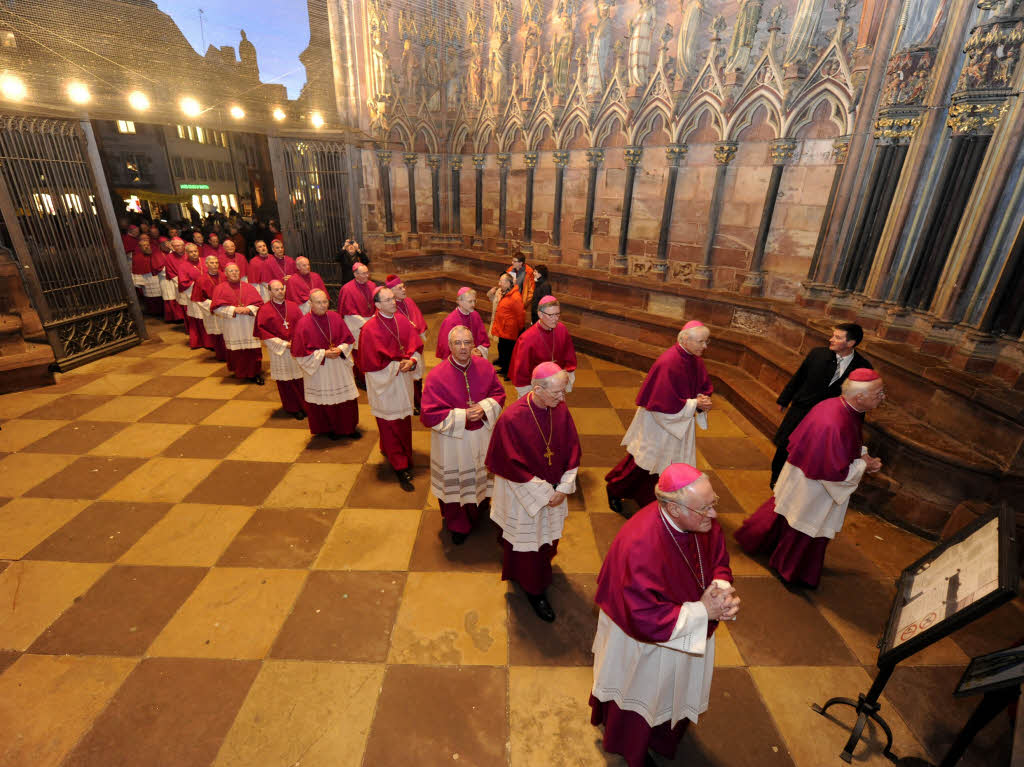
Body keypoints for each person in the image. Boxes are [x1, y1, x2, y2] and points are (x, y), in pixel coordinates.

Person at [590, 463, 739, 767]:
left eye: (714, 504)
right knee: (643, 693)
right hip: (646, 642)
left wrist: (721, 590)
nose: (713, 515)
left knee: (675, 689)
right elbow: (644, 617)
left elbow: (718, 557)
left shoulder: (699, 520)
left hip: (688, 625)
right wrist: (703, 611)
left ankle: (665, 737)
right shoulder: (641, 543)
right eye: (704, 509)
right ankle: (634, 748)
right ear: (673, 509)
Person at [734, 369, 885, 587]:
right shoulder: (835, 421)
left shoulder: (836, 405)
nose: (882, 398)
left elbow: (841, 445)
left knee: (786, 514)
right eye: (878, 393)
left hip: (803, 475)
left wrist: (860, 453)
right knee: (803, 526)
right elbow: (833, 473)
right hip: (815, 486)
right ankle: (789, 570)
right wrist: (864, 465)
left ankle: (761, 543)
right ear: (860, 396)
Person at [485, 363, 581, 622]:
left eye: (563, 391)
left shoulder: (558, 409)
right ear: (537, 389)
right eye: (557, 392)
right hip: (524, 495)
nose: (563, 398)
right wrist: (545, 494)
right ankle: (533, 589)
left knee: (546, 540)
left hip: (554, 491)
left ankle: (539, 573)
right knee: (528, 546)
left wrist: (563, 487)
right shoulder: (512, 419)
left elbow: (572, 447)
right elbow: (511, 466)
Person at [606, 321, 713, 515]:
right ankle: (614, 489)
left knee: (666, 466)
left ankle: (650, 500)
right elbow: (662, 404)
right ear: (685, 339)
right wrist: (694, 404)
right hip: (659, 424)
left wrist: (702, 400)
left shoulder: (695, 360)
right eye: (701, 341)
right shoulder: (668, 363)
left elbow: (701, 387)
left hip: (679, 422)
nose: (704, 346)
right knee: (643, 465)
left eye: (706, 341)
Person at [421, 325, 507, 544]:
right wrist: (463, 416)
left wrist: (485, 407)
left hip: (481, 437)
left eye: (467, 342)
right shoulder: (436, 375)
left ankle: (479, 508)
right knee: (457, 483)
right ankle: (458, 524)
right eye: (457, 343)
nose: (462, 347)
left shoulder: (485, 367)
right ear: (449, 346)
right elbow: (428, 414)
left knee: (479, 477)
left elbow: (499, 393)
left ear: (473, 345)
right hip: (453, 441)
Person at [770, 323, 873, 487]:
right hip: (802, 409)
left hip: (829, 419)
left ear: (851, 343)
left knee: (814, 450)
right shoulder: (817, 354)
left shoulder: (862, 366)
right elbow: (799, 378)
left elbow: (859, 400)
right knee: (786, 444)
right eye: (833, 335)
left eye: (837, 337)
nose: (831, 339)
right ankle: (776, 478)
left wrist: (854, 425)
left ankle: (800, 482)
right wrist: (784, 399)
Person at [358, 287, 424, 491]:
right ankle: (400, 465)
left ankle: (401, 452)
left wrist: (412, 361)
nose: (393, 302)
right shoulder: (369, 329)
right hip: (384, 383)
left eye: (393, 299)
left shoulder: (401, 320)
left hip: (402, 381)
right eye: (387, 300)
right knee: (389, 424)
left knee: (403, 422)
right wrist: (398, 366)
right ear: (377, 305)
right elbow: (369, 365)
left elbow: (416, 347)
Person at [291, 289, 361, 438]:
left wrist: (341, 349)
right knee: (326, 400)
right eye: (318, 302)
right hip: (320, 369)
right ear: (310, 303)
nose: (323, 305)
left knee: (346, 400)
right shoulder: (303, 324)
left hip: (339, 365)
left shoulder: (335, 317)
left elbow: (348, 340)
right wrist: (324, 353)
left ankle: (349, 428)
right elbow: (300, 354)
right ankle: (331, 429)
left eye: (325, 302)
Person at [255, 279, 306, 419]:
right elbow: (263, 333)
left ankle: (305, 405)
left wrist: (296, 342)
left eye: (282, 289)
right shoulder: (264, 310)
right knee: (286, 382)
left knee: (301, 378)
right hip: (279, 351)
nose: (280, 292)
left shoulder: (293, 306)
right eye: (276, 290)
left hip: (296, 348)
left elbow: (302, 326)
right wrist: (284, 344)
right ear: (270, 292)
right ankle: (293, 408)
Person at [509, 295, 577, 398]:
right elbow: (521, 373)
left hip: (557, 387)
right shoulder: (527, 339)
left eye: (557, 314)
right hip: (537, 390)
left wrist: (564, 380)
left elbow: (569, 357)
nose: (555, 319)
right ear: (540, 314)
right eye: (551, 315)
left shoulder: (562, 330)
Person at [211, 263, 264, 384]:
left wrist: (249, 309)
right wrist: (233, 310)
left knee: (253, 350)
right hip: (232, 324)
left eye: (236, 271)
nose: (234, 273)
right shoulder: (220, 288)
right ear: (226, 273)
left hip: (248, 323)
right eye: (231, 271)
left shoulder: (249, 287)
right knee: (237, 352)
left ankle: (255, 373)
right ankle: (240, 372)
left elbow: (259, 304)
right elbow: (215, 308)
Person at [387, 274, 428, 414]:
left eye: (404, 286)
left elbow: (418, 317)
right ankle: (412, 402)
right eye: (400, 288)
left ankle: (419, 400)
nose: (404, 289)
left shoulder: (409, 301)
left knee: (418, 373)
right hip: (402, 347)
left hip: (415, 343)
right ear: (391, 291)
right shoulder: (389, 306)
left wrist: (416, 328)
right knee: (408, 376)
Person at [339, 263, 377, 386]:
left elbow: (378, 304)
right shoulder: (347, 289)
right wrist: (366, 324)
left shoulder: (372, 285)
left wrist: (373, 319)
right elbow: (349, 313)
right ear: (355, 274)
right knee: (359, 353)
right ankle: (362, 378)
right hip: (356, 326)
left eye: (367, 272)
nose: (367, 275)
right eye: (364, 273)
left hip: (373, 321)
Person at [436, 287, 490, 361]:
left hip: (475, 357)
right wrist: (469, 353)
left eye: (474, 301)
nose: (473, 304)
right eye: (470, 301)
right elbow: (447, 349)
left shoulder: (475, 315)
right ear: (460, 302)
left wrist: (479, 351)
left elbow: (483, 340)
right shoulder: (450, 321)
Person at [490, 272, 525, 378]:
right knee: (502, 349)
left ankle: (509, 373)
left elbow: (520, 315)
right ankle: (504, 368)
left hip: (510, 330)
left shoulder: (515, 297)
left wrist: (520, 329)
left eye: (501, 281)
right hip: (502, 328)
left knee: (509, 352)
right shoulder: (504, 293)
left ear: (508, 283)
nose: (499, 283)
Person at [191, 255, 226, 361]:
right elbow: (198, 299)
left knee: (228, 332)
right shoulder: (201, 280)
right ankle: (221, 355)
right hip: (212, 310)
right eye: (212, 263)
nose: (215, 265)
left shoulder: (225, 276)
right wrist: (213, 305)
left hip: (225, 309)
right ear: (206, 265)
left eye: (216, 262)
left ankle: (231, 354)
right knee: (217, 334)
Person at [177, 243, 207, 350]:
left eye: (195, 251)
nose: (194, 253)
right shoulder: (183, 266)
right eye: (191, 252)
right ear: (186, 253)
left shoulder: (204, 261)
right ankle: (199, 341)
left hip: (208, 295)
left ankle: (210, 342)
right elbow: (183, 282)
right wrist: (199, 284)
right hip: (194, 295)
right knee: (198, 318)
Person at [130, 234, 163, 316]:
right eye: (144, 245)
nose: (146, 247)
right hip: (145, 279)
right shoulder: (137, 256)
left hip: (156, 277)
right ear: (140, 247)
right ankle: (153, 312)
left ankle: (161, 311)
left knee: (160, 295)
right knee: (149, 297)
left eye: (147, 245)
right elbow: (136, 269)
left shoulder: (155, 253)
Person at [156, 235, 186, 322]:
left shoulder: (188, 254)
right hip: (179, 283)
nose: (179, 247)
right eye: (176, 246)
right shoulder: (169, 257)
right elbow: (170, 271)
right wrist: (181, 282)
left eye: (180, 245)